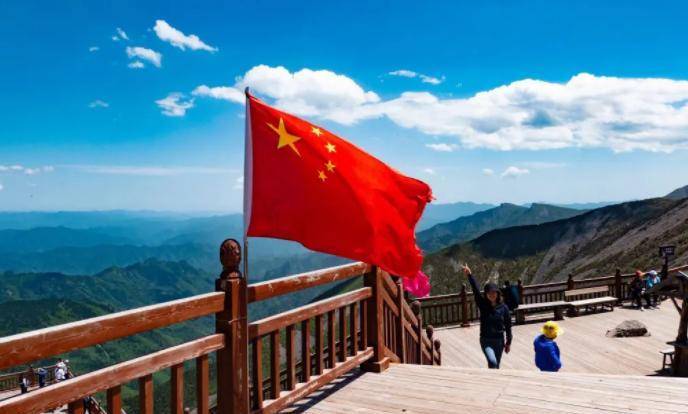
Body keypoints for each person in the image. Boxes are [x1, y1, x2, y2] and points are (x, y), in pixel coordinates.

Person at [462, 263, 512, 369]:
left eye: (494, 292)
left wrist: (508, 342)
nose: (492, 295)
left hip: (499, 341)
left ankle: (493, 379)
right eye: (489, 293)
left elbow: (508, 326)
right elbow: (476, 291)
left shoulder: (504, 308)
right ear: (486, 294)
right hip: (486, 340)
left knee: (496, 366)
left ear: (498, 293)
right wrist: (470, 275)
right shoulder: (483, 305)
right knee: (492, 362)